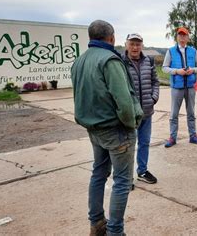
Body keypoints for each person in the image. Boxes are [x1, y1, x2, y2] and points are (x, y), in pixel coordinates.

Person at [71, 20, 143, 236]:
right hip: (116, 130)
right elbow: (124, 102)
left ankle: (97, 223)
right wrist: (132, 124)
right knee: (122, 181)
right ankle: (115, 231)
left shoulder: (80, 61)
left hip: (94, 129)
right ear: (111, 38)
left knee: (98, 174)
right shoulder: (110, 60)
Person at [122, 33, 160, 184]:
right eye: (132, 44)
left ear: (142, 46)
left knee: (144, 142)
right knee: (128, 145)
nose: (135, 47)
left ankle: (142, 171)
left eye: (138, 44)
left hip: (147, 111)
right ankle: (126, 177)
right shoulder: (120, 62)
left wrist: (153, 98)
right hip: (130, 114)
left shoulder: (148, 61)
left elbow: (155, 82)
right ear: (126, 45)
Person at [162, 27, 197, 147]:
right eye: (180, 35)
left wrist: (193, 70)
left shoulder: (193, 51)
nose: (182, 38)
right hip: (177, 87)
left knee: (191, 113)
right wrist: (176, 71)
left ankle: (193, 136)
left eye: (184, 35)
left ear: (188, 37)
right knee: (174, 114)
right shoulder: (170, 51)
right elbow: (164, 68)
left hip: (191, 86)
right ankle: (172, 137)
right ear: (177, 37)